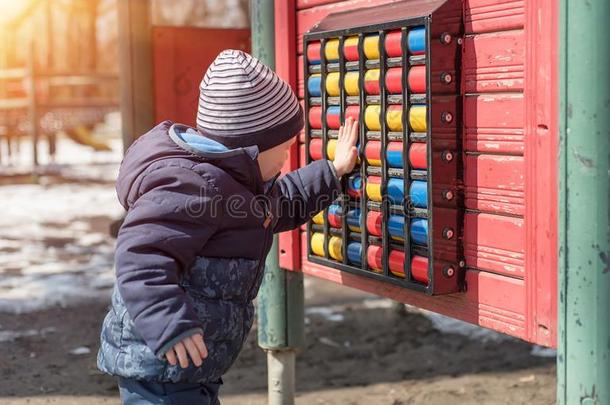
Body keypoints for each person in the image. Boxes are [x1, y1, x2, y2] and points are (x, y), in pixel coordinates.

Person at [97, 49, 358, 404]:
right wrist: (170, 326)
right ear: (251, 145)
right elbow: (140, 257)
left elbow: (282, 202)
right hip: (160, 363)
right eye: (282, 149)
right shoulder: (192, 187)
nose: (285, 159)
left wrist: (333, 171)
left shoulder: (234, 183)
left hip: (192, 365)